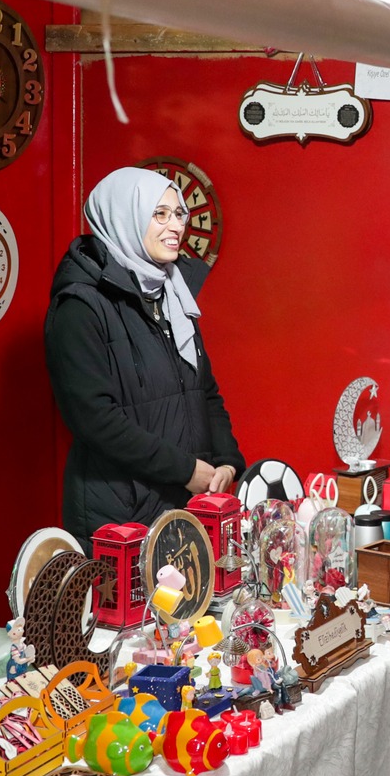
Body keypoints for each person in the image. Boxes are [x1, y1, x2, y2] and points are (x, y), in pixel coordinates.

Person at [45, 166, 245, 544]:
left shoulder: (171, 295)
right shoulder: (80, 306)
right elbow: (96, 419)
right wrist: (186, 470)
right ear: (125, 218)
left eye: (179, 214)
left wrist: (227, 462)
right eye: (160, 214)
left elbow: (204, 391)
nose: (176, 227)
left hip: (184, 505)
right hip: (119, 518)